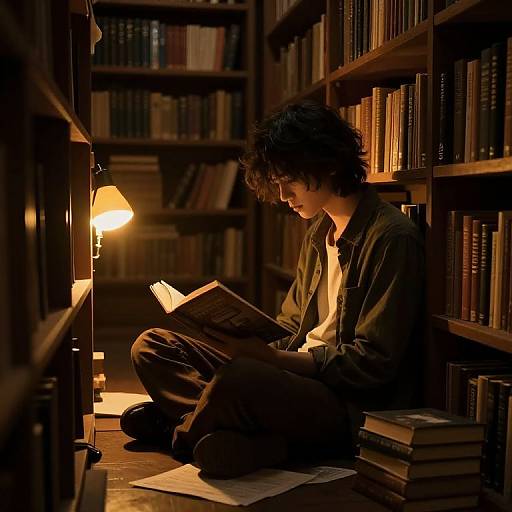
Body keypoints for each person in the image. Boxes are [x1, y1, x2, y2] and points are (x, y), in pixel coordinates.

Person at [121, 101, 425, 478]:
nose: (282, 197)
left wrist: (268, 361)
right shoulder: (319, 232)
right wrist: (238, 341)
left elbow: (372, 364)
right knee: (153, 345)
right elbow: (291, 325)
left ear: (325, 164)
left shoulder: (392, 238)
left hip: (344, 404)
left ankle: (181, 429)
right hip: (292, 378)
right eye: (277, 184)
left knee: (240, 380)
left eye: (289, 182)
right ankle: (238, 433)